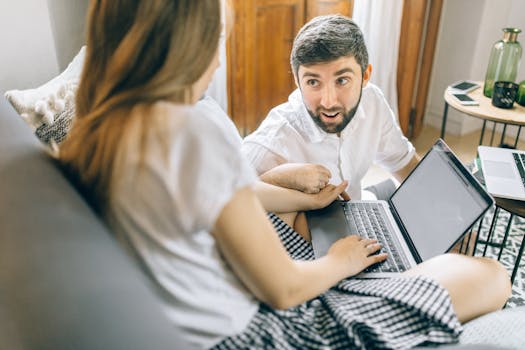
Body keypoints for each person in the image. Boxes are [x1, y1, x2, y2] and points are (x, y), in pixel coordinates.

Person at [58, 1, 511, 349]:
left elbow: (217, 198)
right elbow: (284, 288)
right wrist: (340, 262)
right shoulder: (192, 132)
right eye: (215, 39)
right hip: (264, 331)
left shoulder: (97, 129)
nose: (217, 62)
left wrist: (304, 199)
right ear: (185, 48)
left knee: (322, 223)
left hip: (226, 299)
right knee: (492, 275)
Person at [241, 14, 420, 201]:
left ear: (365, 76)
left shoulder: (372, 101)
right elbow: (231, 201)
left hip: (359, 208)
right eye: (312, 82)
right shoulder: (273, 141)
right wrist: (276, 178)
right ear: (297, 80)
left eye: (342, 80)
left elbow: (404, 164)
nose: (328, 102)